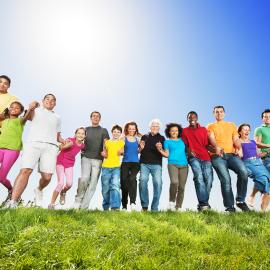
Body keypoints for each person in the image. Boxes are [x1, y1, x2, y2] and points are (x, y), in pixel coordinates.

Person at [7, 94, 65, 208]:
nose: (50, 101)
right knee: (25, 170)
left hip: (51, 146)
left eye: (53, 100)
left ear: (55, 104)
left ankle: (39, 189)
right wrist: (31, 107)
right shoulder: (36, 111)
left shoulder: (57, 117)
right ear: (43, 101)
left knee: (47, 177)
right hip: (33, 143)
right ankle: (13, 202)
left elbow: (57, 135)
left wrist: (63, 141)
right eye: (47, 99)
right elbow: (26, 118)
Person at [207, 106, 250, 212]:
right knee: (226, 180)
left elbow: (236, 138)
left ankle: (240, 201)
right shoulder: (210, 126)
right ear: (213, 114)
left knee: (244, 172)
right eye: (217, 112)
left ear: (224, 113)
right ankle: (229, 207)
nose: (219, 114)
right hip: (217, 156)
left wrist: (239, 147)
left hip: (231, 155)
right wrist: (216, 147)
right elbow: (211, 138)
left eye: (221, 112)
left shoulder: (231, 125)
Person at [0, 101, 37, 205]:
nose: (14, 109)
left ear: (20, 111)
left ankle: (11, 190)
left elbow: (26, 118)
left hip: (12, 151)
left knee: (1, 178)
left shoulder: (20, 121)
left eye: (17, 108)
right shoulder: (4, 121)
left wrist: (30, 108)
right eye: (12, 107)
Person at [182, 111, 220, 211]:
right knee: (198, 177)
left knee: (209, 179)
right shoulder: (184, 131)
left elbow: (207, 145)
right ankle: (204, 204)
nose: (192, 119)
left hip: (206, 157)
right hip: (193, 157)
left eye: (193, 117)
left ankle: (203, 203)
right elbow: (184, 145)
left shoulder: (203, 130)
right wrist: (189, 151)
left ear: (197, 118)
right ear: (187, 119)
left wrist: (215, 150)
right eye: (190, 117)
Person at [73, 111, 109, 209]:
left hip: (98, 160)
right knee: (84, 179)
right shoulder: (86, 129)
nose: (95, 118)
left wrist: (105, 151)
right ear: (91, 118)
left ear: (100, 119)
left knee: (92, 184)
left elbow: (106, 142)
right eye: (94, 116)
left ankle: (84, 208)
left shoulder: (103, 130)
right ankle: (78, 201)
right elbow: (77, 139)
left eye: (98, 116)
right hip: (86, 157)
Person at [48, 128, 86, 209]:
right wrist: (66, 145)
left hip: (70, 164)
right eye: (78, 133)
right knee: (60, 183)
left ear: (85, 136)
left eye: (82, 134)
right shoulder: (70, 140)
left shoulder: (82, 145)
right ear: (75, 134)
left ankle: (63, 192)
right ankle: (51, 204)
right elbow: (61, 147)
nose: (80, 135)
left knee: (69, 184)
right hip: (60, 162)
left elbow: (83, 150)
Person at [238, 123, 270, 211]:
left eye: (248, 129)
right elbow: (239, 154)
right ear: (240, 132)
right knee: (263, 179)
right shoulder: (238, 141)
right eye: (244, 129)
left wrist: (267, 152)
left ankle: (252, 197)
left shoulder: (253, 142)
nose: (247, 131)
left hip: (257, 162)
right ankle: (255, 196)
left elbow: (257, 155)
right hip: (248, 163)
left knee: (268, 178)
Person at [158, 123, 188, 211]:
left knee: (182, 187)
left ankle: (178, 207)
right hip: (172, 164)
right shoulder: (167, 142)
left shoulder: (183, 140)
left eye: (176, 130)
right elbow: (166, 154)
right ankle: (171, 202)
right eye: (172, 131)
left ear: (179, 132)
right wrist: (159, 149)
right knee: (174, 182)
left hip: (184, 165)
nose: (174, 132)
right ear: (169, 132)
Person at [139, 119, 165, 211]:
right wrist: (141, 148)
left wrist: (160, 148)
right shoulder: (144, 137)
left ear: (159, 128)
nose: (155, 127)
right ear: (150, 127)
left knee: (158, 183)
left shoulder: (162, 138)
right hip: (144, 164)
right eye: (153, 126)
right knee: (143, 181)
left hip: (156, 164)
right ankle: (144, 206)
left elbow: (165, 153)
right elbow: (139, 150)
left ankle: (154, 207)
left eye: (157, 126)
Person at [101, 125, 125, 210]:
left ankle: (115, 207)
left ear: (120, 134)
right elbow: (104, 152)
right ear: (112, 132)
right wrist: (103, 153)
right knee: (105, 188)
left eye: (118, 132)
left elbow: (122, 150)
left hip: (116, 167)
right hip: (105, 167)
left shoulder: (121, 142)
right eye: (114, 131)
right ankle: (106, 206)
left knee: (115, 185)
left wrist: (122, 151)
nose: (116, 133)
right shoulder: (107, 142)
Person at [120, 122, 141, 211]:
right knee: (124, 182)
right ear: (127, 129)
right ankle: (124, 205)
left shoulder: (138, 139)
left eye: (133, 128)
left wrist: (141, 148)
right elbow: (120, 149)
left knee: (132, 179)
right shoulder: (124, 138)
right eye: (130, 128)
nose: (132, 130)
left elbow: (139, 151)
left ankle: (133, 202)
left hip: (135, 163)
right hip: (125, 163)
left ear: (136, 129)